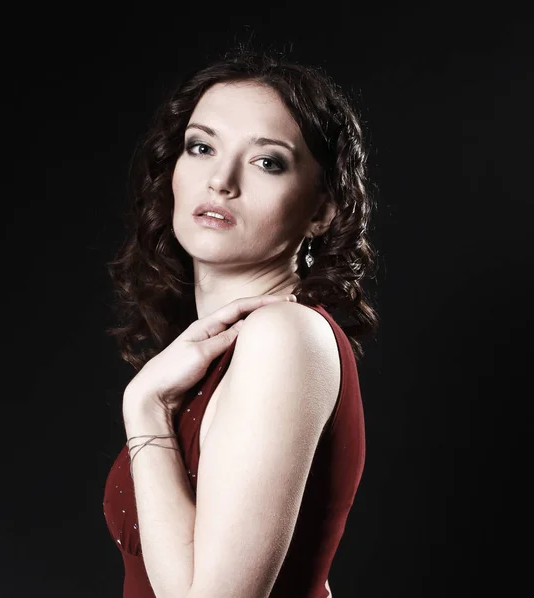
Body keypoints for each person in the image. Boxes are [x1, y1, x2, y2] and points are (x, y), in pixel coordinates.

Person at [103, 47, 379, 598]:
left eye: (267, 161)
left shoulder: (286, 337)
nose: (220, 181)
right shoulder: (232, 352)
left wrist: (145, 410)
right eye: (201, 147)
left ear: (323, 209)